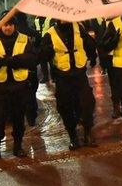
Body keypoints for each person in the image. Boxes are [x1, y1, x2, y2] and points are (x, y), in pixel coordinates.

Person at [0, 12, 38, 160]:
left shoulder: (24, 39)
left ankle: (18, 147)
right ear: (1, 25)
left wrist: (17, 60)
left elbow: (33, 59)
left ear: (14, 25)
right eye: (5, 25)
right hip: (0, 88)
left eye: (10, 25)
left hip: (20, 86)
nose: (7, 28)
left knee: (19, 119)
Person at [38, 20, 99, 150]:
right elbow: (41, 55)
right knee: (65, 107)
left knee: (87, 104)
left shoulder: (79, 28)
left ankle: (88, 133)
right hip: (62, 76)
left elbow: (89, 45)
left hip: (80, 74)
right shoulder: (50, 33)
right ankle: (73, 137)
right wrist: (47, 51)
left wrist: (92, 54)